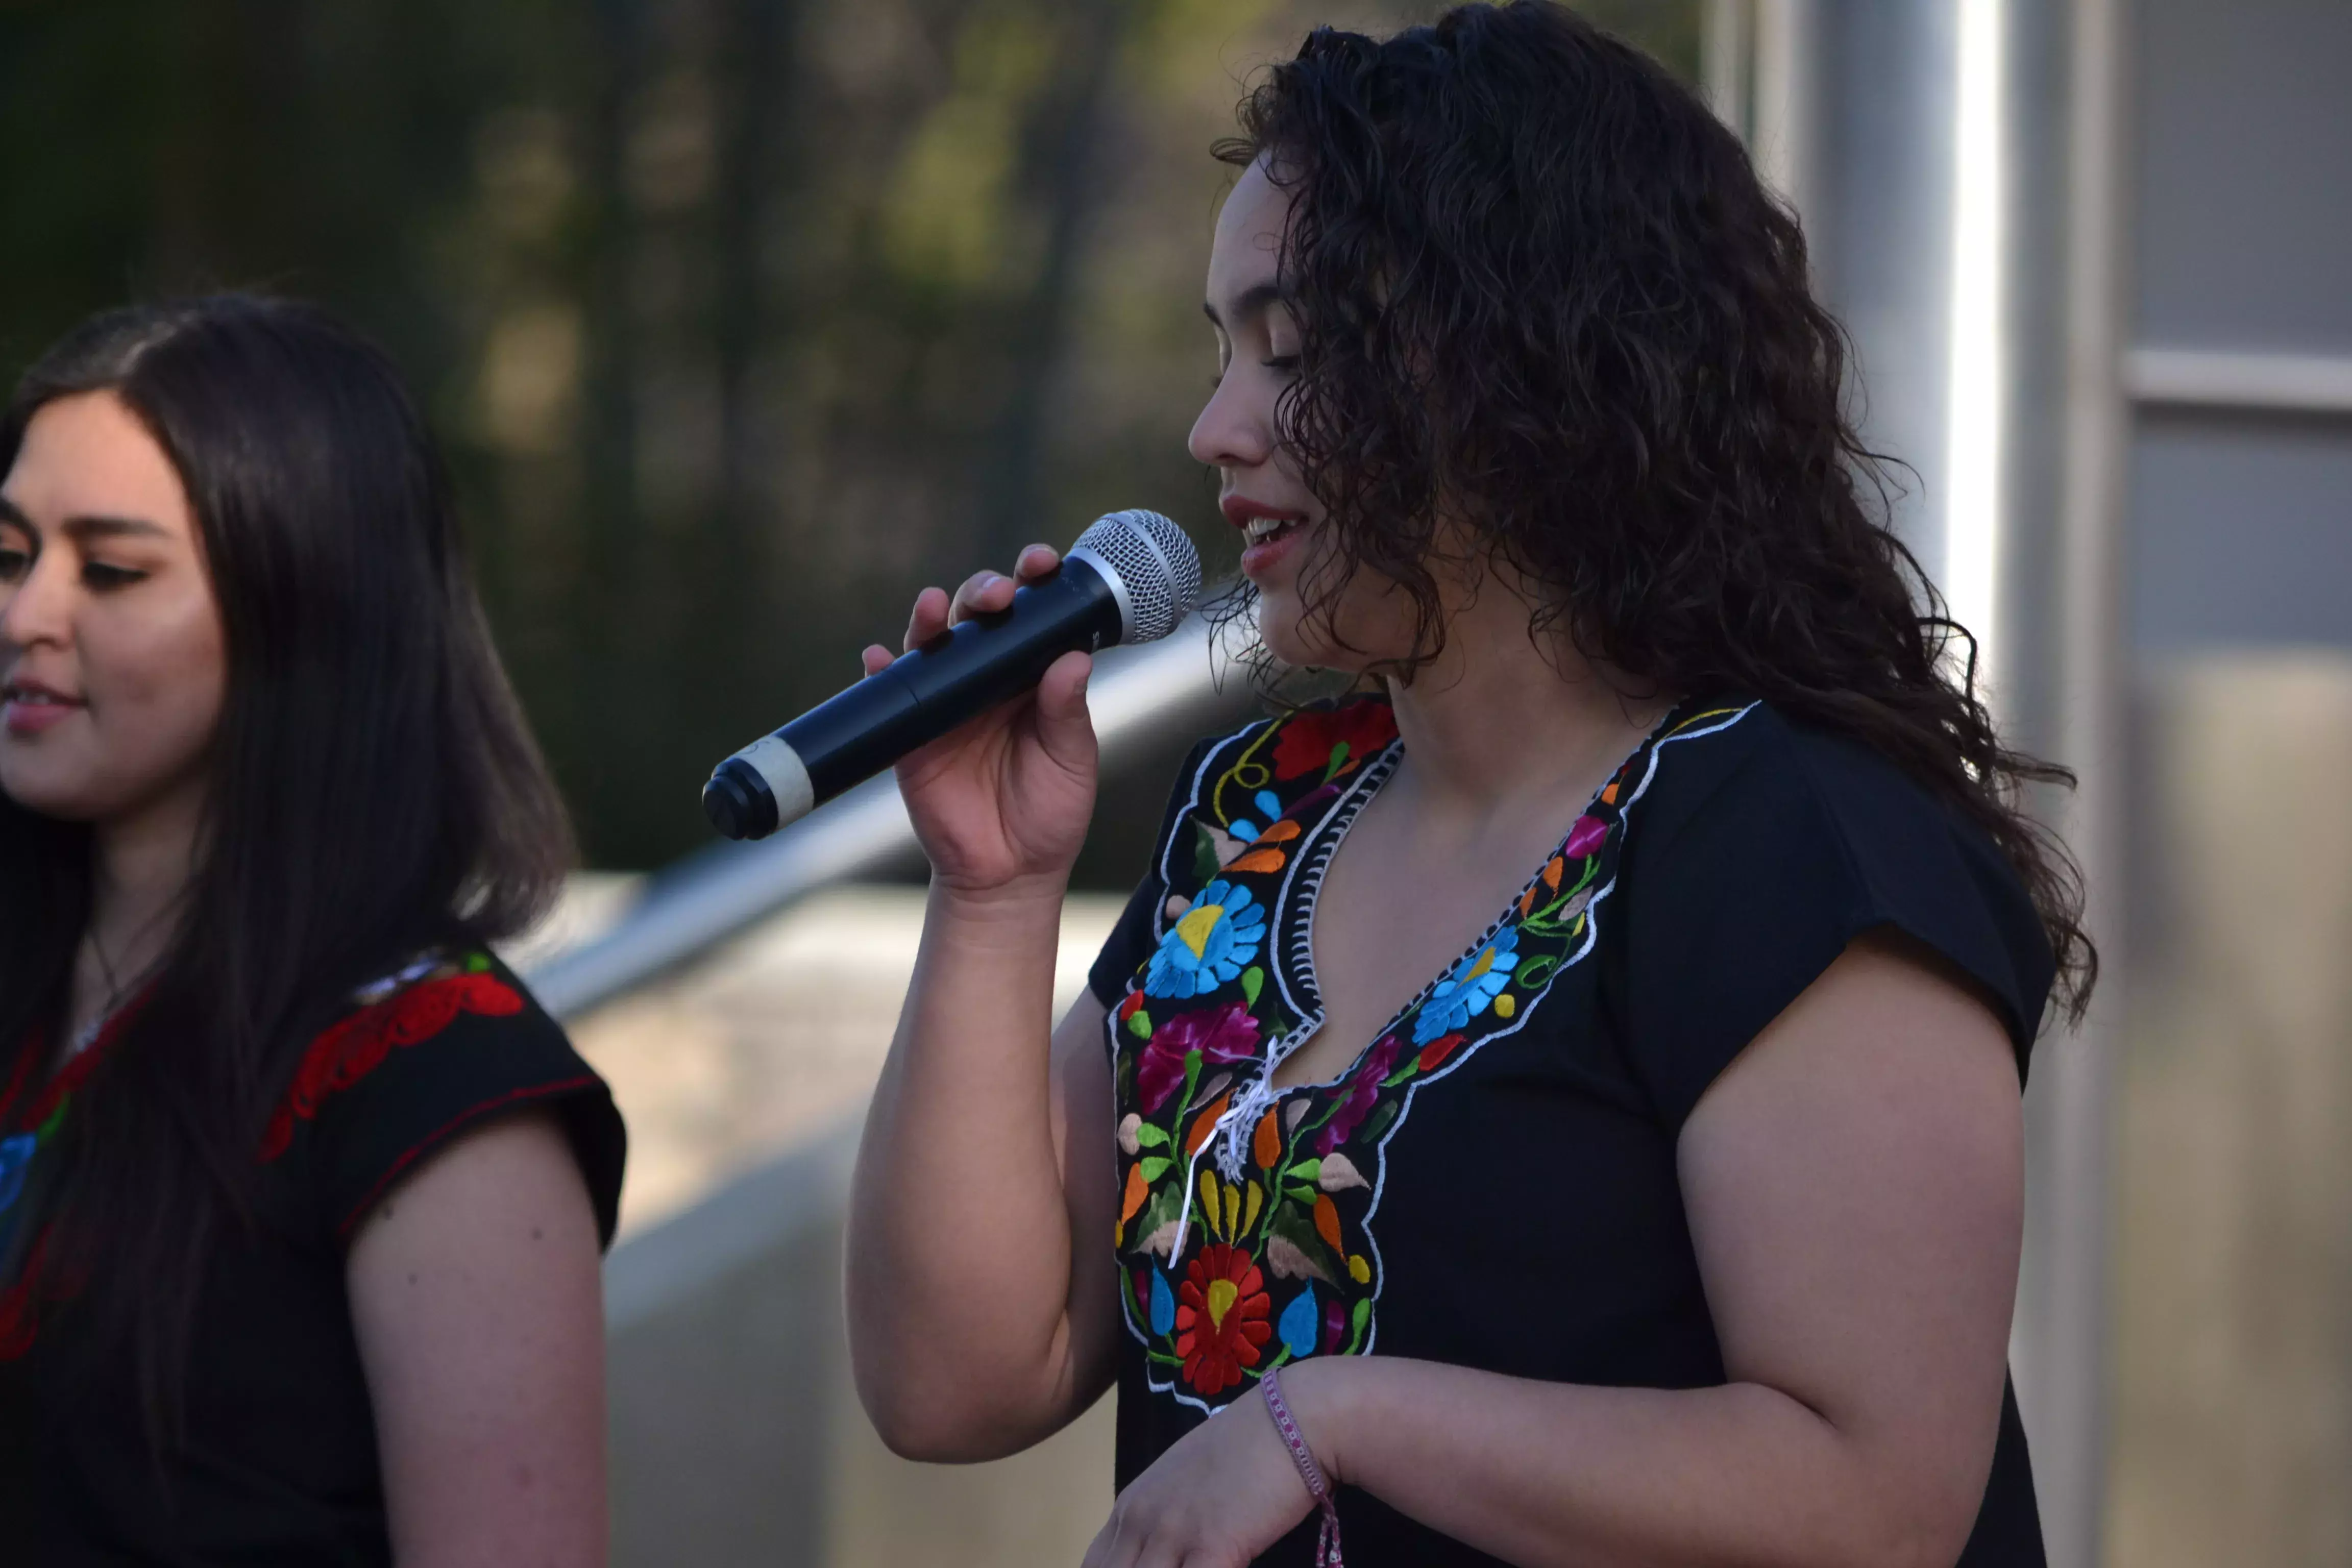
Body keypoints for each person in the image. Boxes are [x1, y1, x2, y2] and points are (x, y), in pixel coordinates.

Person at [848, 5, 2093, 1566]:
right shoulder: (1258, 824)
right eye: (1221, 351)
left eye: (1291, 351)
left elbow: (1877, 1497)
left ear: (1528, 372)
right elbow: (957, 1381)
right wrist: (992, 891)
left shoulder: (1791, 834)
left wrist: (1339, 1423)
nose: (1214, 429)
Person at [0, 295, 625, 1564]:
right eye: (10, 554)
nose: (25, 616)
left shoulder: (438, 1077)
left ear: (305, 611)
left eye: (110, 571)